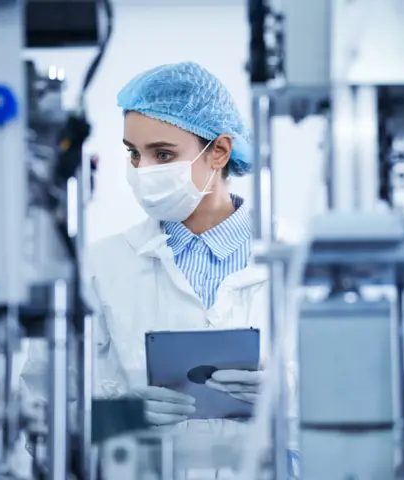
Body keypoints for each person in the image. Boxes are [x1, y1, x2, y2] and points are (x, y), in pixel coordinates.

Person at [19, 61, 269, 463]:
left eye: (163, 154)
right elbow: (39, 418)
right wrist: (119, 417)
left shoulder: (296, 262)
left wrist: (289, 396)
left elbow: (359, 404)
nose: (142, 171)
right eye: (134, 154)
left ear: (219, 152)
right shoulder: (98, 268)